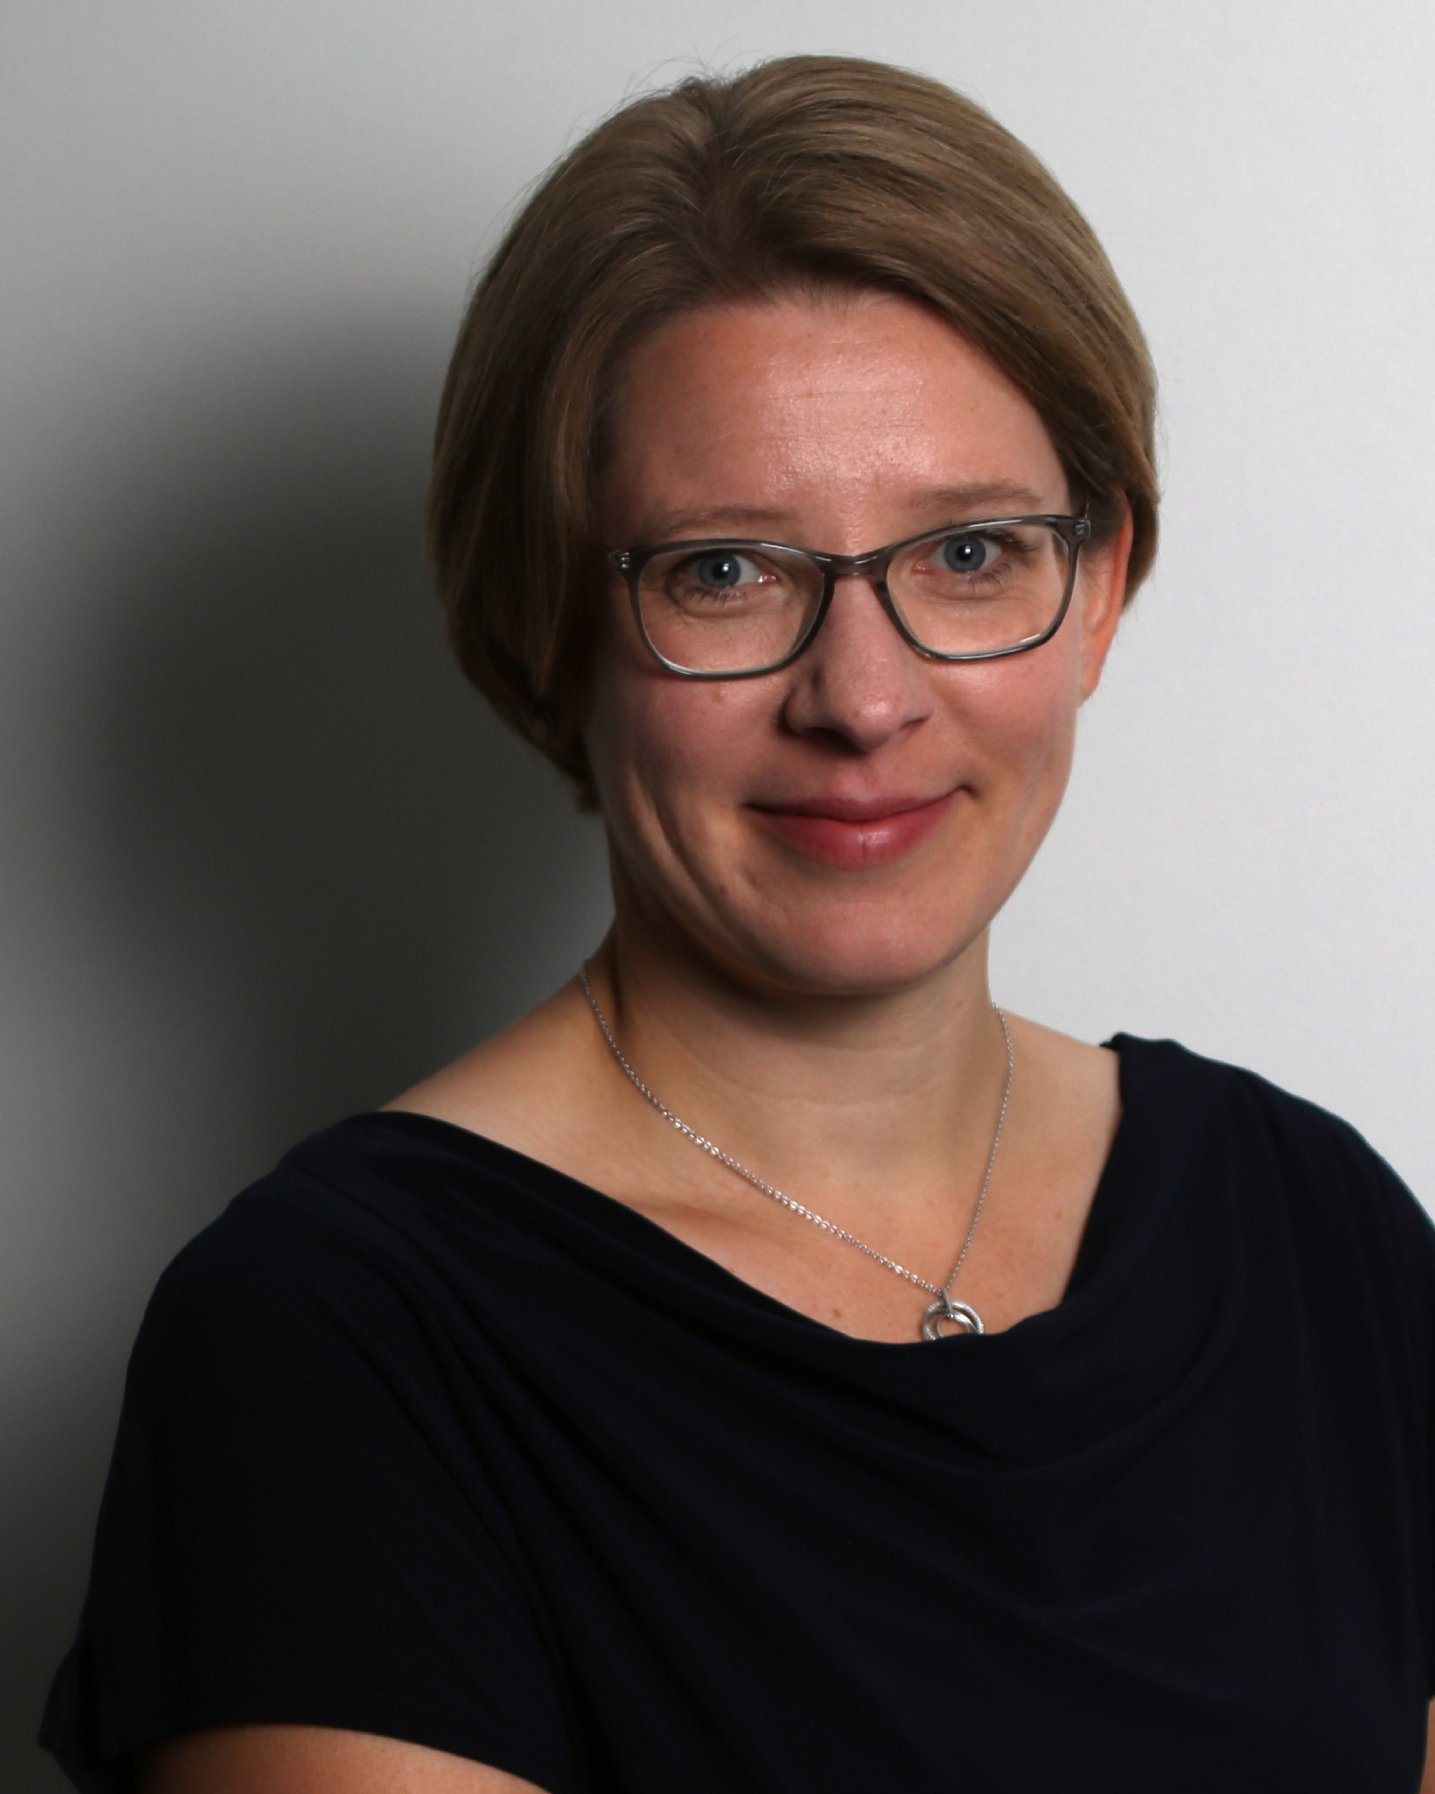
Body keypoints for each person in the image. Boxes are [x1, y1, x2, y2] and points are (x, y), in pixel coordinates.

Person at [42, 53, 1435, 1794]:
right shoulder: (332, 1341)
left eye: (969, 553)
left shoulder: (1316, 1232)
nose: (864, 698)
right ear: (548, 619)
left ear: (1099, 589)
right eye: (724, 570)